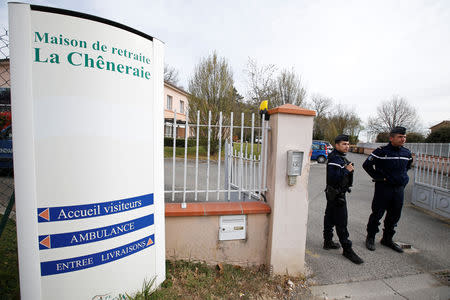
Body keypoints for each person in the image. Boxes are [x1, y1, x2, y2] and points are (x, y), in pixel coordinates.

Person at [363, 126, 413, 253]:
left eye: (404, 137)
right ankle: (370, 237)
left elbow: (407, 167)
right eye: (400, 137)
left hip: (398, 189)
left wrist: (403, 179)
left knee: (394, 215)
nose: (403, 139)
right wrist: (380, 178)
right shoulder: (381, 151)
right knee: (377, 214)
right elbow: (367, 165)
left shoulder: (406, 153)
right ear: (391, 138)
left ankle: (387, 239)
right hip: (383, 188)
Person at [324, 134, 364, 264]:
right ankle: (347, 249)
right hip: (337, 195)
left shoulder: (338, 157)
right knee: (342, 222)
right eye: (344, 144)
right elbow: (333, 179)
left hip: (334, 194)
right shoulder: (335, 159)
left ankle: (328, 241)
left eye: (347, 144)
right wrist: (347, 170)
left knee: (329, 218)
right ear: (337, 145)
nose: (347, 146)